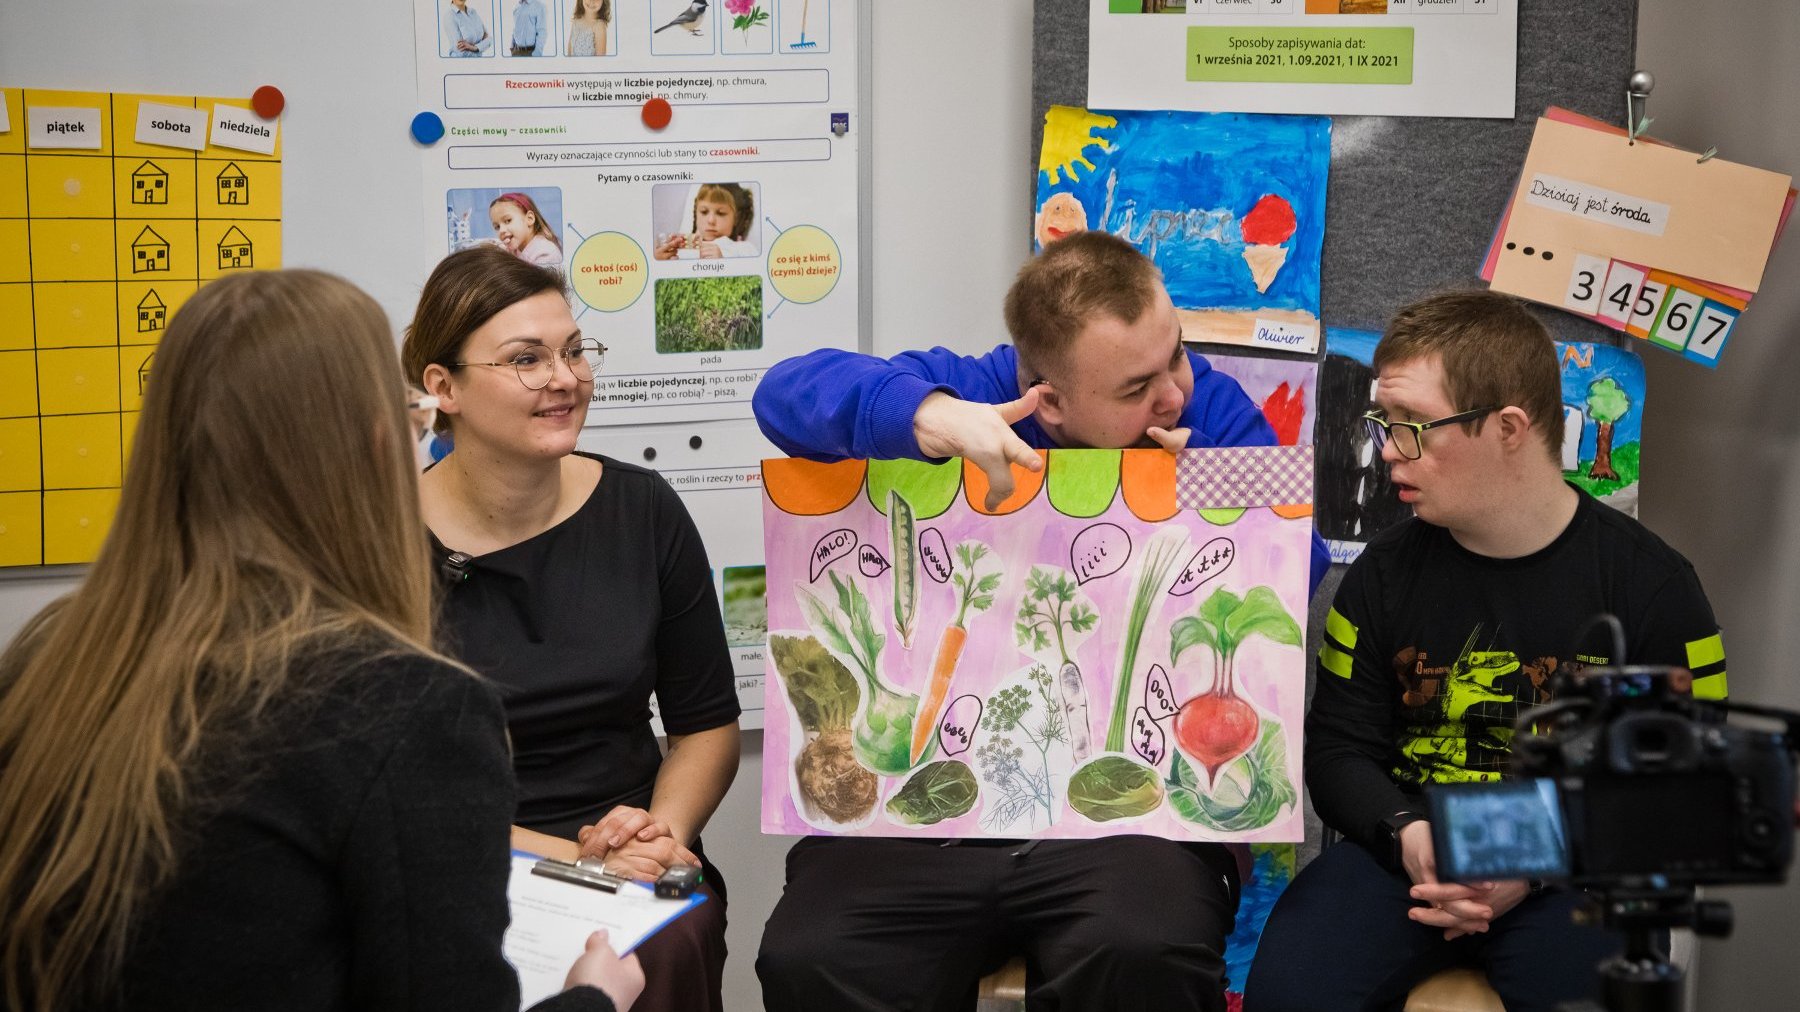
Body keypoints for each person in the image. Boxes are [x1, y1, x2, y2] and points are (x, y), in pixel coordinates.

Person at [0, 271, 642, 1012]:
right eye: (412, 415)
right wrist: (594, 999)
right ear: (373, 445)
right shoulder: (405, 709)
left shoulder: (50, 663)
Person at [751, 230, 1328, 1012]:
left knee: (1139, 947)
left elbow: (1306, 561)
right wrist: (928, 416)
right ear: (1048, 400)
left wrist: (1210, 488)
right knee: (810, 953)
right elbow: (782, 393)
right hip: (928, 819)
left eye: (1177, 357)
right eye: (1135, 388)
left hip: (1131, 822)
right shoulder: (971, 388)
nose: (1173, 396)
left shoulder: (1213, 410)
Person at [1244, 291, 1726, 1011]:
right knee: (1289, 994)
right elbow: (1339, 750)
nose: (1386, 450)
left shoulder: (1654, 591)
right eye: (1385, 423)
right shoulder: (1382, 575)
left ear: (1508, 428)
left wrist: (1530, 863)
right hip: (1407, 858)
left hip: (1578, 873)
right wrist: (1405, 832)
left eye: (1413, 428)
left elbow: (1687, 790)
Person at [404, 246, 742, 1012]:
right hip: (451, 852)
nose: (564, 379)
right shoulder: (379, 544)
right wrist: (582, 860)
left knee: (671, 937)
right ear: (442, 386)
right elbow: (380, 790)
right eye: (526, 359)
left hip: (630, 842)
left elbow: (707, 727)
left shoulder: (643, 510)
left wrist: (659, 835)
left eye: (573, 352)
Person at [654, 183, 756, 260]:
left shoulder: (743, 248)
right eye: (704, 212)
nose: (711, 220)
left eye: (720, 213)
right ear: (696, 215)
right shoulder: (682, 247)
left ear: (736, 218)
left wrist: (723, 259)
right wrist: (659, 259)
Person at [490, 192, 564, 267]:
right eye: (497, 227)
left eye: (508, 220)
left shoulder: (545, 253)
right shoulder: (513, 250)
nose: (501, 230)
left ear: (529, 219)